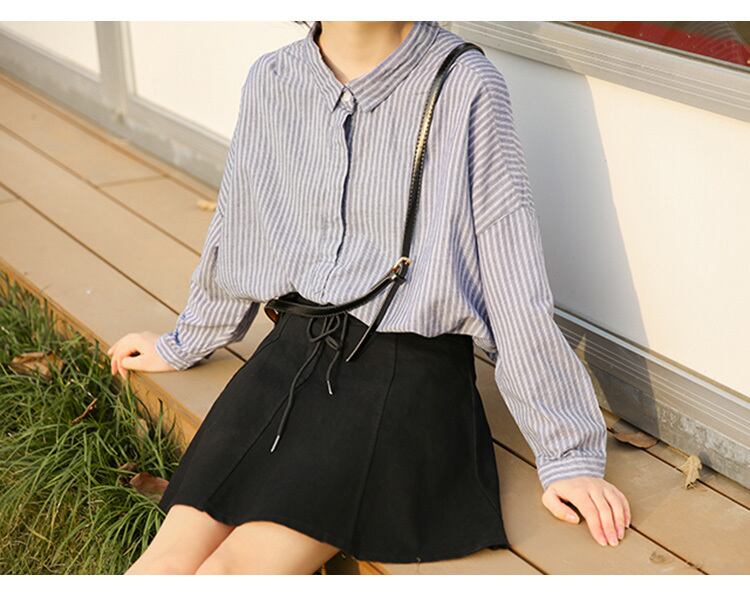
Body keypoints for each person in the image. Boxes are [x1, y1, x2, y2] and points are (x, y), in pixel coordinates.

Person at [108, 21, 631, 574]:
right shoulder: (274, 78)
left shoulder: (464, 83)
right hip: (292, 352)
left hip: (407, 370)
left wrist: (567, 451)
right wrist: (186, 341)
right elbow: (241, 226)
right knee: (164, 562)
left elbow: (512, 273)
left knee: (230, 571)